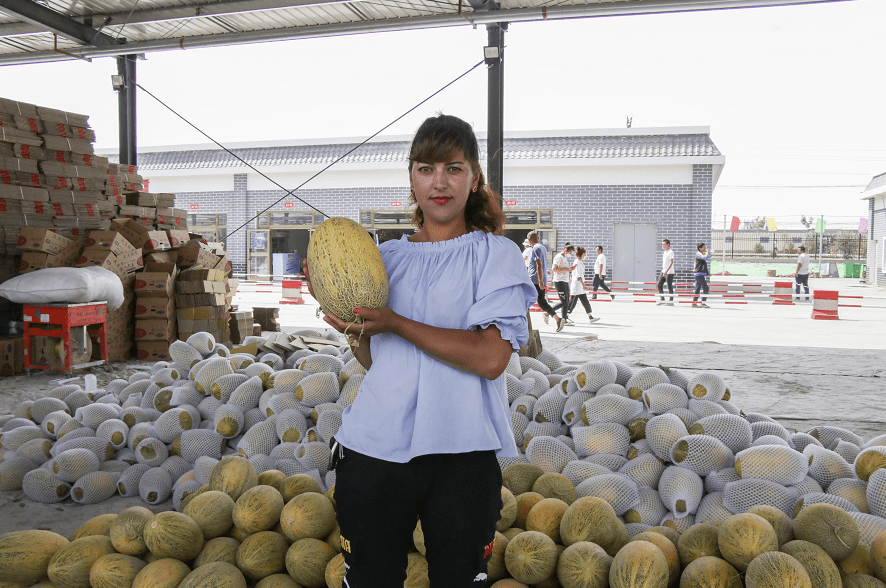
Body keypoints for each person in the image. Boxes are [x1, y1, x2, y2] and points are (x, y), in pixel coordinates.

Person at [304, 114, 536, 588]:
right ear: (411, 179)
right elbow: (378, 362)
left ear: (474, 178)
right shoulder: (386, 258)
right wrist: (354, 327)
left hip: (462, 453)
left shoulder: (496, 255)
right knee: (371, 579)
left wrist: (395, 322)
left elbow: (491, 359)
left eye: (453, 168)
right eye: (425, 169)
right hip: (374, 448)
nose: (439, 182)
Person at [527, 230, 560, 330]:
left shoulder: (535, 248)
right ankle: (558, 319)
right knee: (541, 301)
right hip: (540, 279)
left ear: (529, 240)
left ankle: (523, 325)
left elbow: (539, 264)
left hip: (535, 279)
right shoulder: (542, 248)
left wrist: (540, 281)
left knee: (524, 299)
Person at [567, 246, 600, 323]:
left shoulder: (580, 262)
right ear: (583, 254)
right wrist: (583, 284)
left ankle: (590, 316)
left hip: (580, 286)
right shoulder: (577, 262)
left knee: (585, 301)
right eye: (585, 254)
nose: (586, 255)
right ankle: (566, 316)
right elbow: (578, 275)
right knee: (573, 302)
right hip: (577, 285)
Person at [549, 243, 575, 330]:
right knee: (564, 302)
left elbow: (564, 269)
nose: (570, 255)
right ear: (565, 250)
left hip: (565, 281)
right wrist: (567, 269)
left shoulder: (564, 258)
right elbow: (554, 269)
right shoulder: (559, 257)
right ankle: (548, 312)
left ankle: (564, 319)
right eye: (570, 253)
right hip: (559, 281)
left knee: (567, 302)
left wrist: (569, 273)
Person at [693, 242, 713, 308]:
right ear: (700, 248)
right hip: (698, 274)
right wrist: (708, 252)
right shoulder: (699, 254)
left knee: (698, 288)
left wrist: (707, 273)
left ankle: (694, 303)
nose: (705, 248)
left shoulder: (700, 254)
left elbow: (703, 265)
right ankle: (703, 303)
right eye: (704, 247)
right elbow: (705, 258)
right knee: (706, 288)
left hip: (699, 274)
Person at [658, 239, 675, 306]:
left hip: (669, 272)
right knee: (659, 284)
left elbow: (671, 262)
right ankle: (662, 299)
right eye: (662, 244)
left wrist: (667, 271)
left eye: (664, 244)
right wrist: (663, 271)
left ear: (668, 244)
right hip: (663, 271)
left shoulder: (671, 252)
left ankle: (671, 301)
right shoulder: (665, 252)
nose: (663, 245)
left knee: (669, 286)